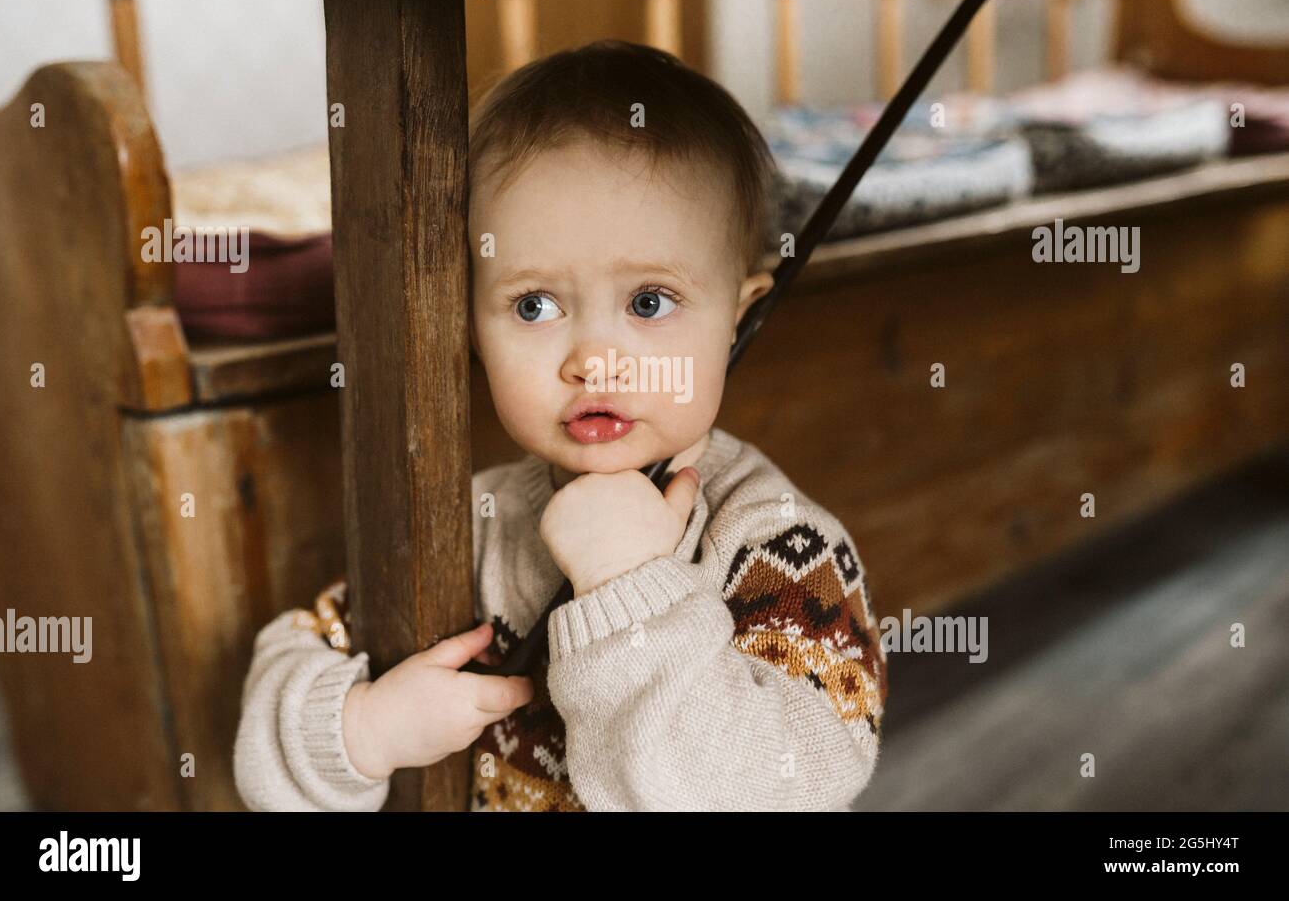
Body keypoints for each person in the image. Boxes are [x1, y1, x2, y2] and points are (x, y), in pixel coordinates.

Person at [233, 39, 888, 811]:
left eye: (649, 301)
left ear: (737, 321)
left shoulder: (777, 546)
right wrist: (359, 730)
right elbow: (292, 655)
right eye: (534, 305)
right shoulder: (468, 524)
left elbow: (781, 789)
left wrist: (633, 590)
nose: (593, 361)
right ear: (472, 331)